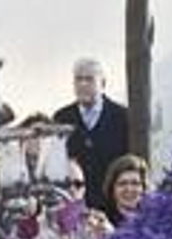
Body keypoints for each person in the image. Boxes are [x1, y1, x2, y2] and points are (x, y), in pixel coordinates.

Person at [53, 58, 129, 214]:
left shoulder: (122, 117)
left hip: (113, 206)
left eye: (89, 79)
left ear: (103, 83)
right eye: (78, 79)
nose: (83, 84)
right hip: (74, 207)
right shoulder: (61, 118)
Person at [101, 154, 151, 227]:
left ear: (143, 188)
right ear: (112, 188)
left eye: (135, 183)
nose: (129, 189)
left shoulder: (153, 221)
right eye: (122, 184)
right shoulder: (101, 221)